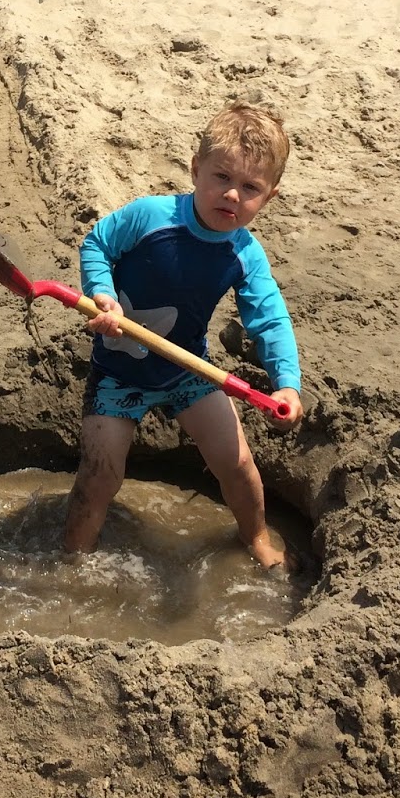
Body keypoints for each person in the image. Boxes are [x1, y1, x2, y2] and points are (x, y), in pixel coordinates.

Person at [63, 103, 304, 569]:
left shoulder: (245, 253)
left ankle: (257, 539)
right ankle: (73, 560)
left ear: (269, 197)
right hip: (117, 373)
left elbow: (270, 319)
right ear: (196, 170)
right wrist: (103, 296)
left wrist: (287, 385)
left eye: (250, 187)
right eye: (221, 177)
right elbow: (97, 243)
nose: (232, 195)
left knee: (237, 464)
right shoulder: (150, 216)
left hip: (188, 370)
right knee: (99, 476)